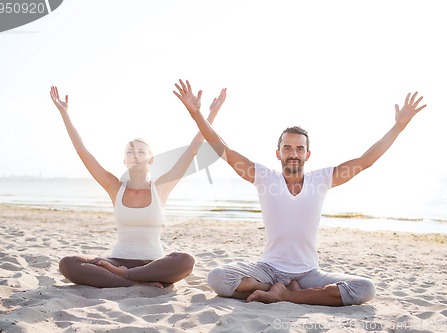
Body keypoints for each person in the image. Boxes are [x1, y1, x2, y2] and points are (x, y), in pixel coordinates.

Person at [174, 79, 426, 306]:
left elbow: (365, 161)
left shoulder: (321, 180)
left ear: (307, 154)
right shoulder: (264, 178)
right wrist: (197, 114)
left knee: (365, 288)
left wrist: (398, 127)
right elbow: (224, 151)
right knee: (218, 278)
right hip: (269, 269)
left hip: (308, 274)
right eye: (287, 148)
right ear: (278, 153)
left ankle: (284, 295)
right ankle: (273, 289)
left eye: (298, 148)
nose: (293, 153)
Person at [50, 85, 226, 288]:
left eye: (141, 152)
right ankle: (136, 281)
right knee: (68, 263)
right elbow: (82, 152)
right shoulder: (114, 187)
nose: (134, 155)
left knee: (186, 261)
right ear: (124, 161)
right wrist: (65, 113)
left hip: (153, 264)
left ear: (151, 160)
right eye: (129, 152)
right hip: (116, 262)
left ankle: (130, 277)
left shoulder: (161, 187)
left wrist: (210, 114)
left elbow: (193, 150)